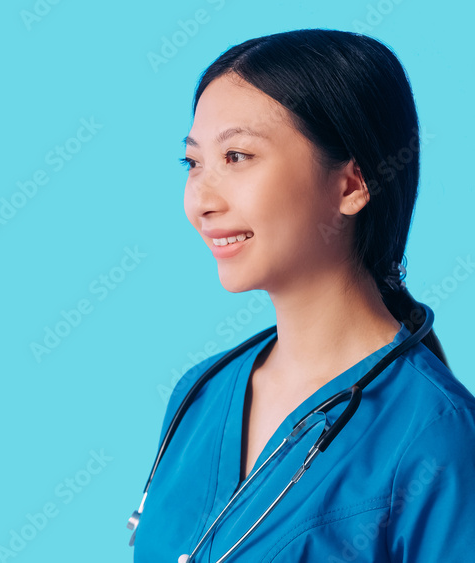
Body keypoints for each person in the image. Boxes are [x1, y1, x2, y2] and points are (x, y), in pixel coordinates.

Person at [130, 29, 475, 562]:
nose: (201, 200)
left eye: (238, 156)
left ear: (351, 186)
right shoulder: (198, 396)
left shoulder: (438, 440)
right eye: (194, 162)